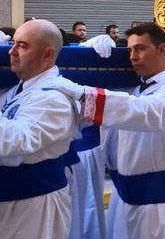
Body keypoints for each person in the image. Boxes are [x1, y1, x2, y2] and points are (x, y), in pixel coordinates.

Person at [51, 22, 165, 239]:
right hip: (124, 195)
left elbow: (145, 111)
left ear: (161, 49)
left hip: (159, 199)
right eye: (129, 50)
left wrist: (81, 92)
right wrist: (87, 48)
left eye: (140, 48)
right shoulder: (136, 87)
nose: (132, 56)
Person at [0, 19, 79, 239]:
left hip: (35, 205)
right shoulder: (16, 90)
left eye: (23, 46)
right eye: (13, 44)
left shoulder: (54, 98)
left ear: (47, 54)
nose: (12, 52)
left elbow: (16, 141)